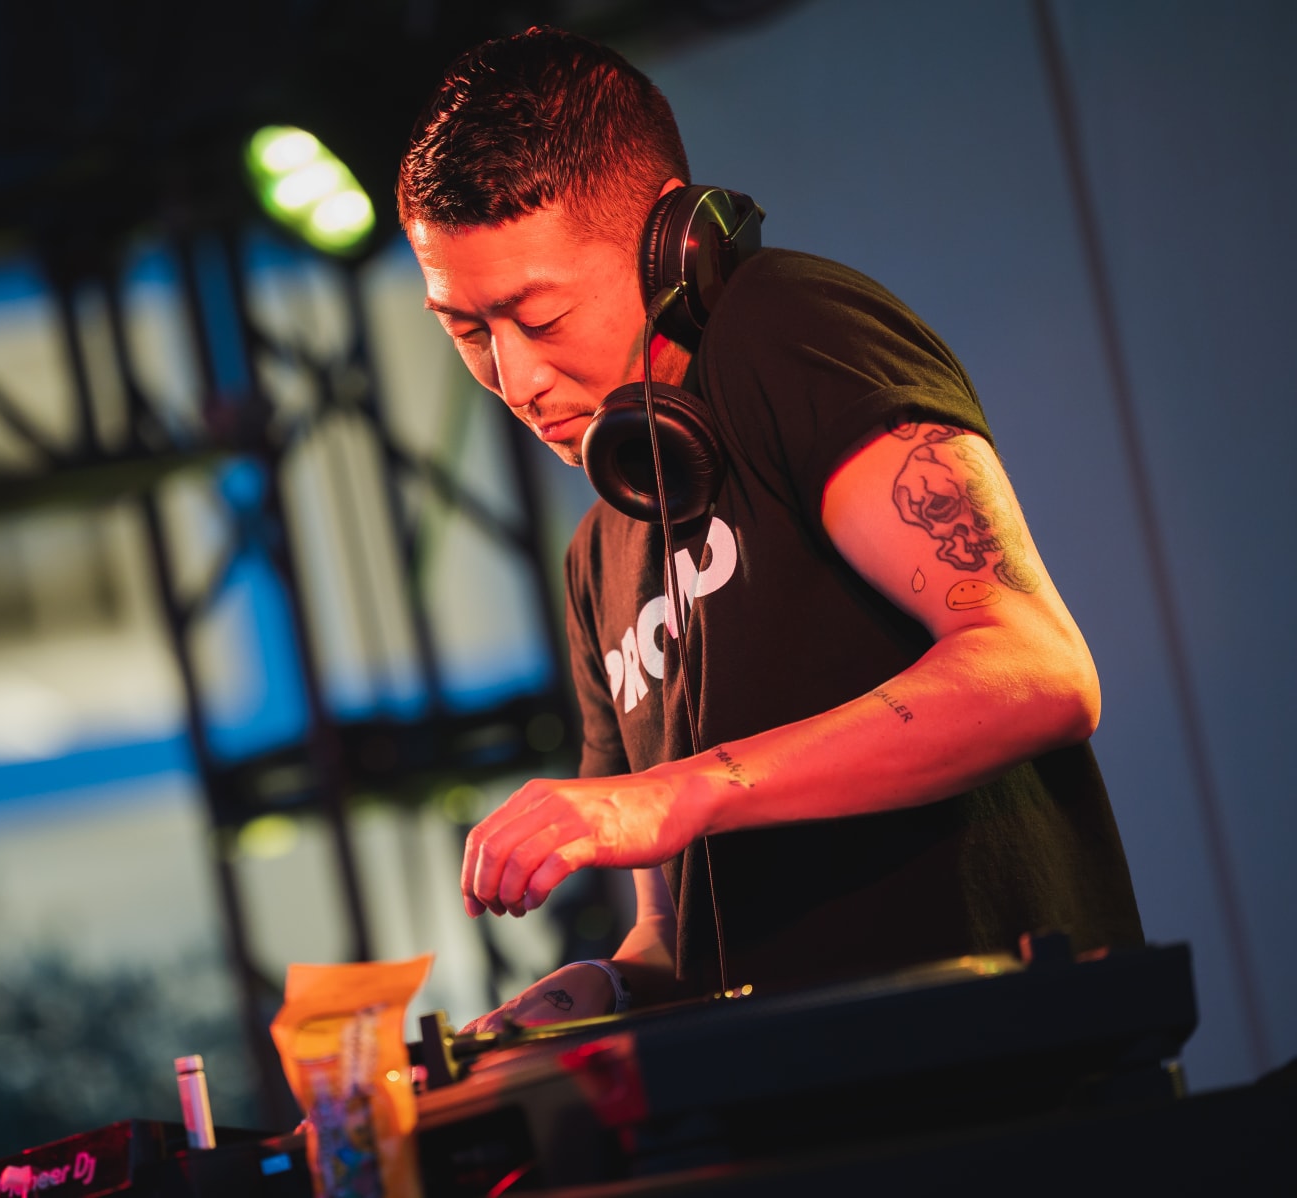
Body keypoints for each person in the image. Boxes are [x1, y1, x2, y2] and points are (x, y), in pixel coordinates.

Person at [396, 27, 1143, 1031]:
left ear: (670, 245)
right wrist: (578, 1004)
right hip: (798, 1100)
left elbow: (1039, 669)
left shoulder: (788, 329)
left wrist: (680, 791)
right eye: (466, 329)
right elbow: (670, 933)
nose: (515, 379)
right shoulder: (595, 560)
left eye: (538, 317)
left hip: (1001, 1069)